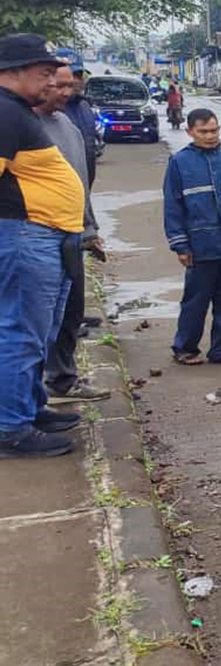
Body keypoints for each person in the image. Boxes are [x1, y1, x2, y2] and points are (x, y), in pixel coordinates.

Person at [0, 34, 86, 458]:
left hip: (47, 236)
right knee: (22, 332)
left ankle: (30, 409)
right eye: (44, 72)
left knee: (41, 332)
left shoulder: (17, 111)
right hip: (26, 235)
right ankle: (11, 428)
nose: (53, 80)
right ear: (11, 72)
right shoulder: (3, 111)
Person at [34, 65, 109, 404]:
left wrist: (90, 230)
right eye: (58, 85)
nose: (65, 92)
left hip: (71, 235)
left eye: (69, 85)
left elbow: (79, 185)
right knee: (35, 319)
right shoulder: (22, 126)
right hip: (36, 238)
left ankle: (62, 379)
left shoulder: (68, 125)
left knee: (71, 311)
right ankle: (30, 393)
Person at [163, 108, 221, 366]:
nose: (210, 136)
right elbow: (173, 207)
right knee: (196, 301)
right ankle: (185, 348)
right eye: (203, 132)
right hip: (200, 247)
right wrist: (180, 245)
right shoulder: (179, 164)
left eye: (214, 130)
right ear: (190, 131)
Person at [63, 68, 100, 187]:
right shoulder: (48, 109)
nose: (76, 81)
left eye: (79, 76)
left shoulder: (84, 107)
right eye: (71, 75)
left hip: (84, 184)